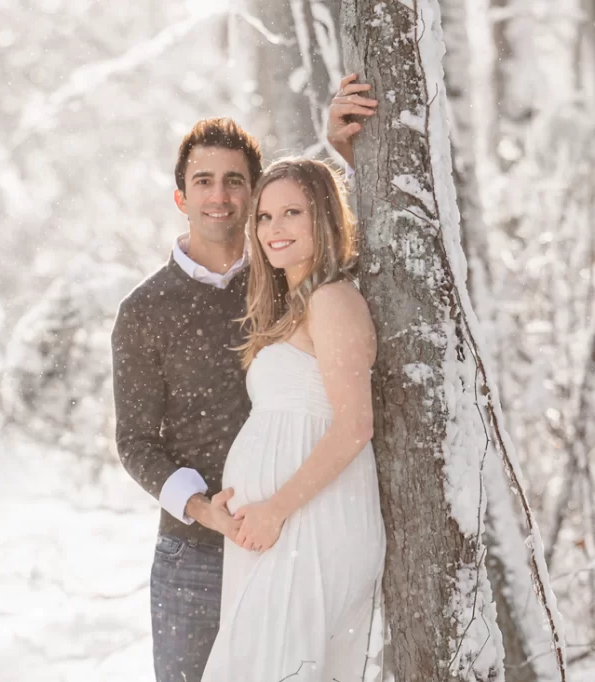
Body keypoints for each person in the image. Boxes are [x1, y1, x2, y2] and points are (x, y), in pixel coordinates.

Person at [111, 74, 378, 682]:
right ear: (180, 197)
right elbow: (135, 441)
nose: (220, 197)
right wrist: (204, 510)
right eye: (203, 181)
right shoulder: (147, 309)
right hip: (198, 549)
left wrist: (345, 153)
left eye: (236, 182)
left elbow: (342, 234)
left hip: (295, 530)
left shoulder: (288, 278)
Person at [200, 157, 386, 682]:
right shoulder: (295, 305)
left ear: (323, 218)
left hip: (311, 522)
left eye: (291, 213)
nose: (273, 230)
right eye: (263, 217)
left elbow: (354, 426)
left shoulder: (333, 300)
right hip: (275, 527)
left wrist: (274, 508)